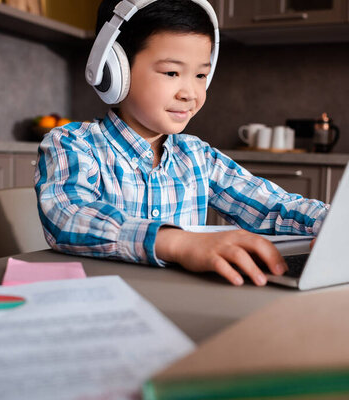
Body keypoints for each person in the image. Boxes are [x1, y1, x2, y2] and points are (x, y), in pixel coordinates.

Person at [35, 0, 328, 287]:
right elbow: (68, 216)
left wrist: (334, 221)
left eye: (201, 75)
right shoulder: (73, 144)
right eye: (172, 72)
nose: (190, 93)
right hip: (102, 303)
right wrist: (178, 243)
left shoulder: (197, 156)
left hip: (182, 302)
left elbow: (272, 207)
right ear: (113, 72)